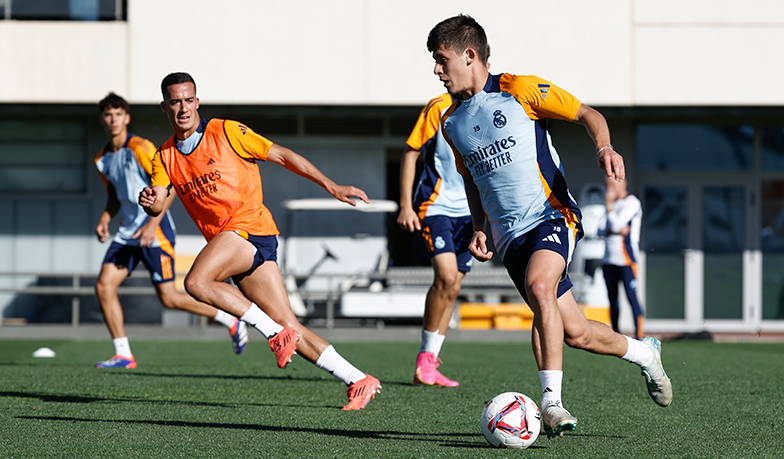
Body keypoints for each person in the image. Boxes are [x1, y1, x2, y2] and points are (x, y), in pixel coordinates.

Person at [427, 14, 673, 436]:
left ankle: (551, 403)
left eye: (440, 59)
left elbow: (587, 114)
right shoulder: (451, 123)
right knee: (575, 332)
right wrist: (480, 225)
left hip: (551, 216)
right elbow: (471, 178)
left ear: (470, 55)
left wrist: (605, 148)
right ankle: (645, 354)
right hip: (508, 240)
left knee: (542, 287)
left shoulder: (520, 90)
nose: (435, 70)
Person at [138, 73, 381, 410]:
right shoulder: (164, 155)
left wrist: (332, 186)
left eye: (188, 99)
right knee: (290, 325)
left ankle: (271, 333)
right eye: (175, 101)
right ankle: (358, 379)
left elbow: (282, 156)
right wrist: (150, 200)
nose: (183, 108)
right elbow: (160, 199)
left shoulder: (227, 131)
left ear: (197, 101)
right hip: (233, 243)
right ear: (165, 106)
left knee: (196, 282)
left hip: (249, 228)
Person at [93, 92, 248, 369]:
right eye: (108, 114)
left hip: (157, 231)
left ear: (126, 118)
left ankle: (229, 318)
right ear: (102, 120)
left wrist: (152, 223)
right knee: (104, 287)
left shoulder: (140, 148)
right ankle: (123, 354)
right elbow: (115, 197)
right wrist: (105, 218)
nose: (113, 119)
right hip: (128, 233)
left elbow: (170, 182)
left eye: (118, 114)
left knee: (170, 298)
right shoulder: (102, 159)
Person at [397, 93, 472, 387]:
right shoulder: (438, 107)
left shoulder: (491, 104)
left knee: (453, 287)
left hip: (471, 213)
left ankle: (430, 361)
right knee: (446, 276)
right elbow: (411, 152)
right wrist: (406, 205)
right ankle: (424, 362)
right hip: (436, 206)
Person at [598, 176, 645, 340]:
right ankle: (615, 337)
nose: (610, 188)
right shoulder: (611, 205)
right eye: (607, 184)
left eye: (613, 183)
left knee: (632, 298)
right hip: (608, 260)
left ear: (624, 182)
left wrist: (610, 208)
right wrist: (614, 226)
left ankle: (640, 336)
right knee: (613, 300)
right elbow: (600, 229)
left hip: (626, 260)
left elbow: (615, 226)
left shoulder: (631, 202)